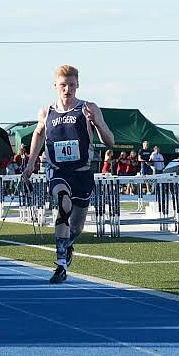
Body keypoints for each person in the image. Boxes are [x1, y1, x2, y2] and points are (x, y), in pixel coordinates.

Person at [21, 64, 114, 284]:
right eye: (63, 85)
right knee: (63, 204)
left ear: (77, 85)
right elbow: (38, 134)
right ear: (55, 86)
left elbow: (110, 141)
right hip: (57, 171)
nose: (67, 89)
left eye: (71, 85)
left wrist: (98, 123)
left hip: (81, 173)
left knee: (77, 226)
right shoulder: (47, 112)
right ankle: (61, 264)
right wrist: (30, 163)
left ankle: (68, 245)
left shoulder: (88, 108)